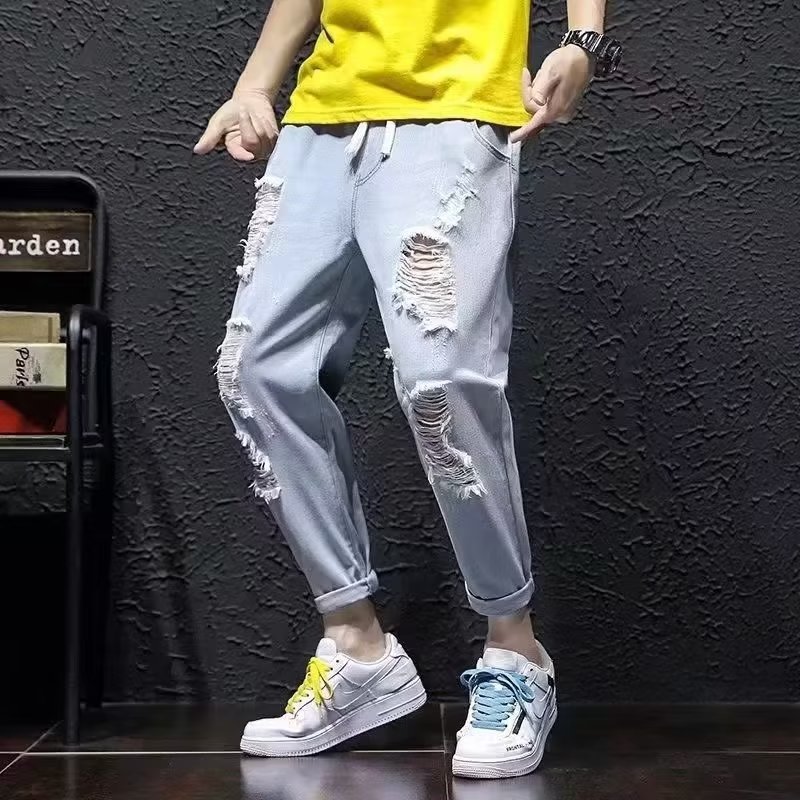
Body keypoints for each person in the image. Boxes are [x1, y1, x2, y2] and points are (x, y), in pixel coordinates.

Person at [194, 0, 620, 779]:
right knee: (255, 372)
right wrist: (255, 83)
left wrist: (583, 41)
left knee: (439, 384)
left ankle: (516, 652)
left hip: (457, 109)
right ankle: (356, 646)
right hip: (323, 119)